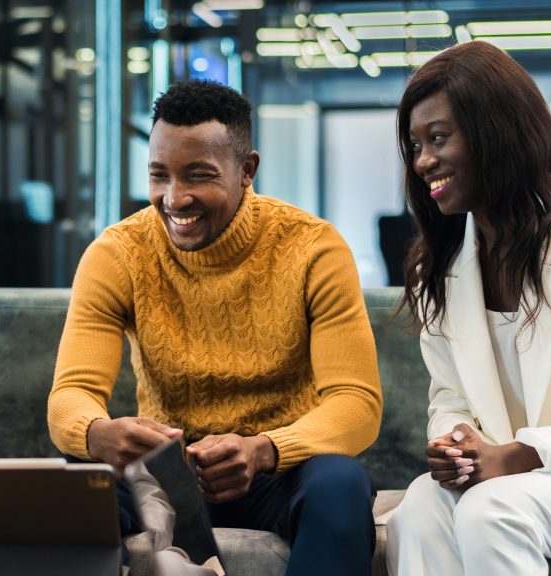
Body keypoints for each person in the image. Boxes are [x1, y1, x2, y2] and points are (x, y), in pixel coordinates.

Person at [47, 79, 383, 575]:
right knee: (76, 480)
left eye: (197, 176)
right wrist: (96, 432)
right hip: (167, 477)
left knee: (341, 482)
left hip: (276, 473)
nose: (174, 198)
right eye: (159, 175)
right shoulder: (117, 253)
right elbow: (70, 393)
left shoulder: (314, 249)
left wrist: (266, 449)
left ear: (246, 170)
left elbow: (357, 403)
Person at [387, 41, 551, 575]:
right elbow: (449, 397)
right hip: (510, 474)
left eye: (438, 138)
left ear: (496, 131)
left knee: (493, 509)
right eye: (415, 145)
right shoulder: (439, 265)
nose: (422, 161)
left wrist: (519, 455)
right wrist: (457, 442)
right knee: (417, 507)